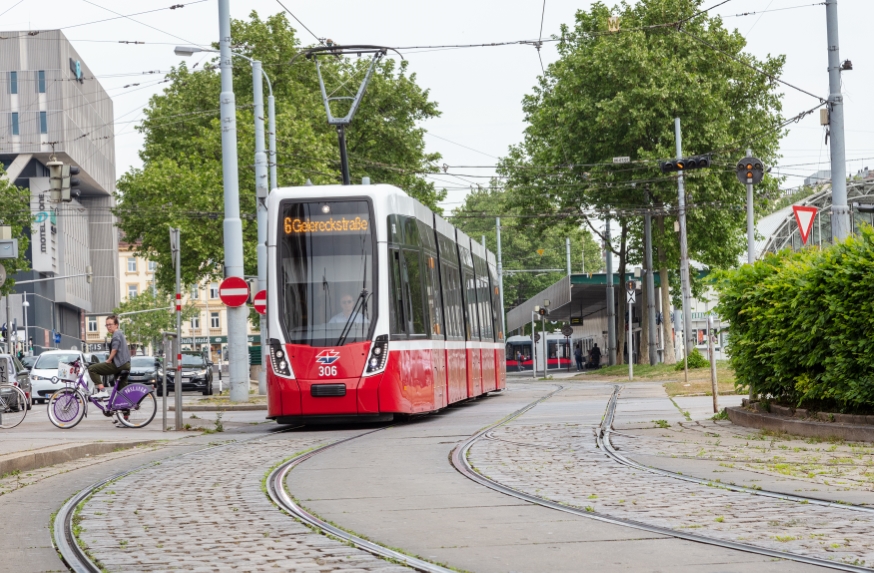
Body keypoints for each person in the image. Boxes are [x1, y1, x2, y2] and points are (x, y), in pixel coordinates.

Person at [88, 315, 131, 401]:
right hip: (126, 365)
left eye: (110, 324)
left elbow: (114, 349)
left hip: (119, 365)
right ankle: (126, 413)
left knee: (92, 369)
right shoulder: (120, 334)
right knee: (121, 392)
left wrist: (109, 360)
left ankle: (103, 390)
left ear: (116, 325)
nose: (108, 327)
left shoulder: (116, 334)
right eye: (107, 325)